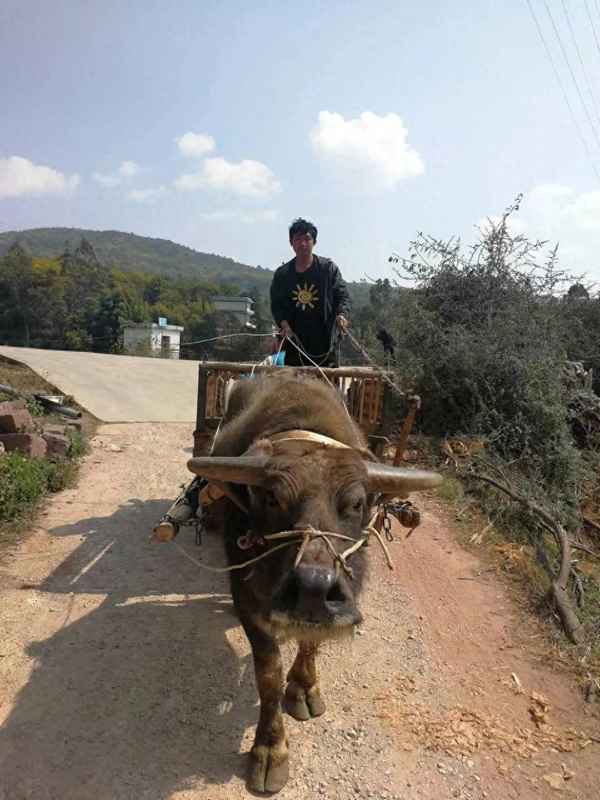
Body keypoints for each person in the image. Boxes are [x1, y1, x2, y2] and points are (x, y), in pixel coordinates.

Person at [270, 218, 350, 366]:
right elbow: (277, 306)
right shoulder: (282, 275)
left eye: (307, 239)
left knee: (327, 380)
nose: (303, 244)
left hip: (325, 345)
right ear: (291, 243)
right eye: (297, 239)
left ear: (314, 242)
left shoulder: (328, 269)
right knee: (293, 380)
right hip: (294, 346)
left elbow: (342, 296)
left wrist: (341, 315)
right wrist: (284, 324)